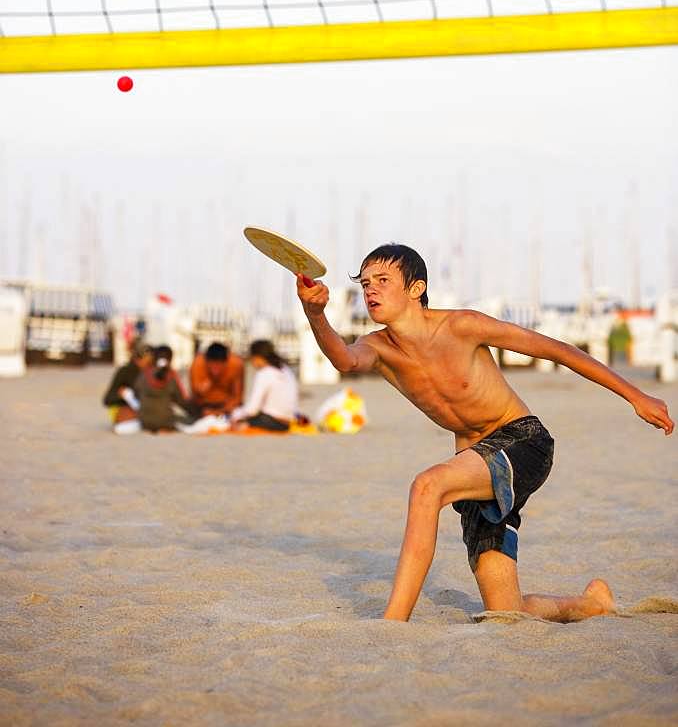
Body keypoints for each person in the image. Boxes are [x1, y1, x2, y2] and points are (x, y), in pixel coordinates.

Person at [297, 243, 673, 623]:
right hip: (474, 465)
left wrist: (635, 395)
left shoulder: (462, 326)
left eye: (382, 280)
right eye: (364, 284)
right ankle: (592, 605)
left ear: (416, 288)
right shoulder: (378, 347)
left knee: (427, 486)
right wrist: (315, 313)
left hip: (523, 442)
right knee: (505, 610)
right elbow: (344, 359)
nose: (371, 290)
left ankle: (391, 623)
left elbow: (558, 351)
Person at [230, 339, 299, 432]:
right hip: (289, 421)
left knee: (234, 420)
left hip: (271, 422)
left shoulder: (264, 373)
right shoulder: (286, 369)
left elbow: (252, 410)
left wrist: (236, 415)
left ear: (257, 357)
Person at [135, 345, 190, 433]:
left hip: (144, 421)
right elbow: (181, 401)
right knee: (189, 420)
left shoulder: (144, 373)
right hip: (165, 422)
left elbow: (136, 393)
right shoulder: (171, 376)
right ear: (170, 359)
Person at [102, 340, 154, 433]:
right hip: (122, 408)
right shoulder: (125, 371)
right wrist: (124, 395)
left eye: (150, 363)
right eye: (147, 362)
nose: (148, 365)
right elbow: (107, 399)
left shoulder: (151, 372)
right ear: (137, 359)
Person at [188, 342, 244, 419]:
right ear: (206, 361)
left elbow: (237, 397)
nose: (215, 372)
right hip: (203, 406)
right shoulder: (197, 364)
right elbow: (195, 394)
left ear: (226, 362)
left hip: (226, 407)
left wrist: (217, 412)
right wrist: (202, 389)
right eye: (212, 366)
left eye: (218, 366)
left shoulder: (236, 365)